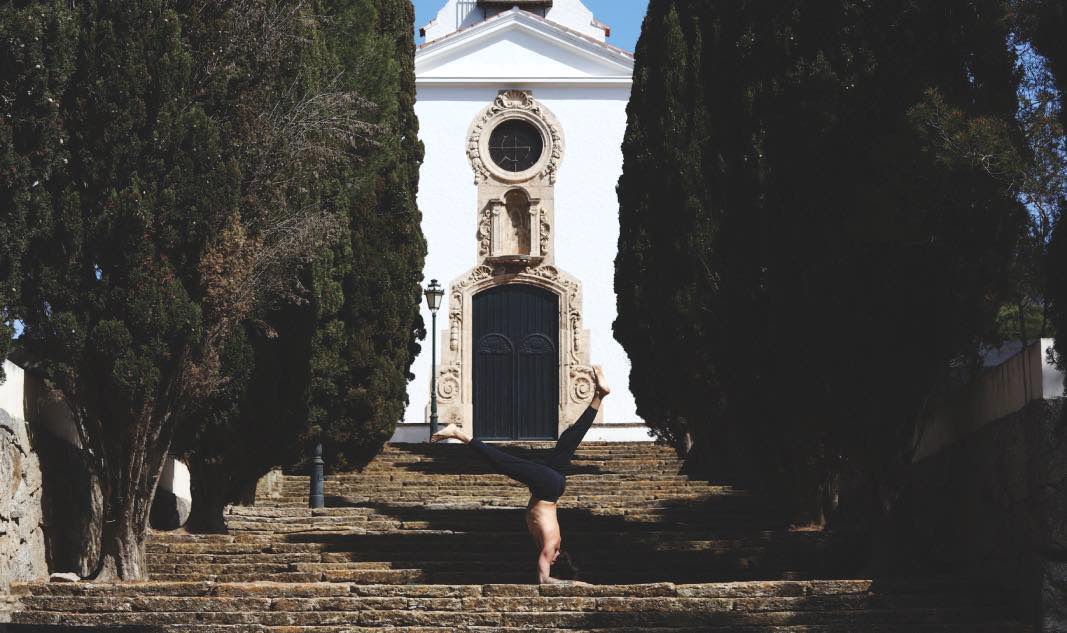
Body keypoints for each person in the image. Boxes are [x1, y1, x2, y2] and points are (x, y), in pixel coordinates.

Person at [430, 365, 611, 585]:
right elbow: (544, 579)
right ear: (556, 560)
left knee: (569, 440)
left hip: (552, 486)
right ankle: (458, 433)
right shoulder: (550, 546)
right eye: (553, 561)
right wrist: (576, 584)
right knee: (504, 463)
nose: (548, 560)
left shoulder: (551, 543)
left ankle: (598, 396)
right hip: (547, 487)